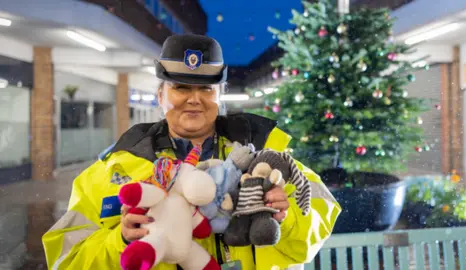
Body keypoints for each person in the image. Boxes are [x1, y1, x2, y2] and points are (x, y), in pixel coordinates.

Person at [42, 34, 341, 270]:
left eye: (207, 89)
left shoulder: (267, 153)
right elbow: (66, 259)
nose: (194, 100)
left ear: (220, 96)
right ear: (160, 95)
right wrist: (120, 240)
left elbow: (317, 227)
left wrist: (286, 219)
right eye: (181, 88)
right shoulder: (114, 169)